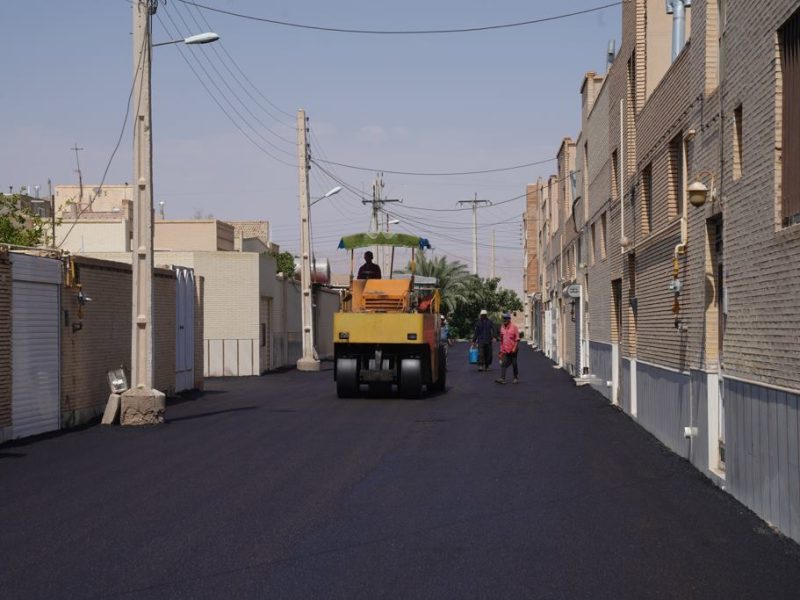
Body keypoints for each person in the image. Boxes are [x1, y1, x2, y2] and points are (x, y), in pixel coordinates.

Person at [496, 312, 520, 384]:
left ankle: (515, 378)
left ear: (509, 319)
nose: (504, 320)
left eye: (506, 318)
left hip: (513, 349)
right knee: (503, 364)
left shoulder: (514, 327)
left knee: (514, 363)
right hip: (505, 349)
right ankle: (502, 378)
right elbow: (502, 340)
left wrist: (514, 348)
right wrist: (501, 351)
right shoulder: (502, 327)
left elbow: (517, 339)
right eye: (503, 318)